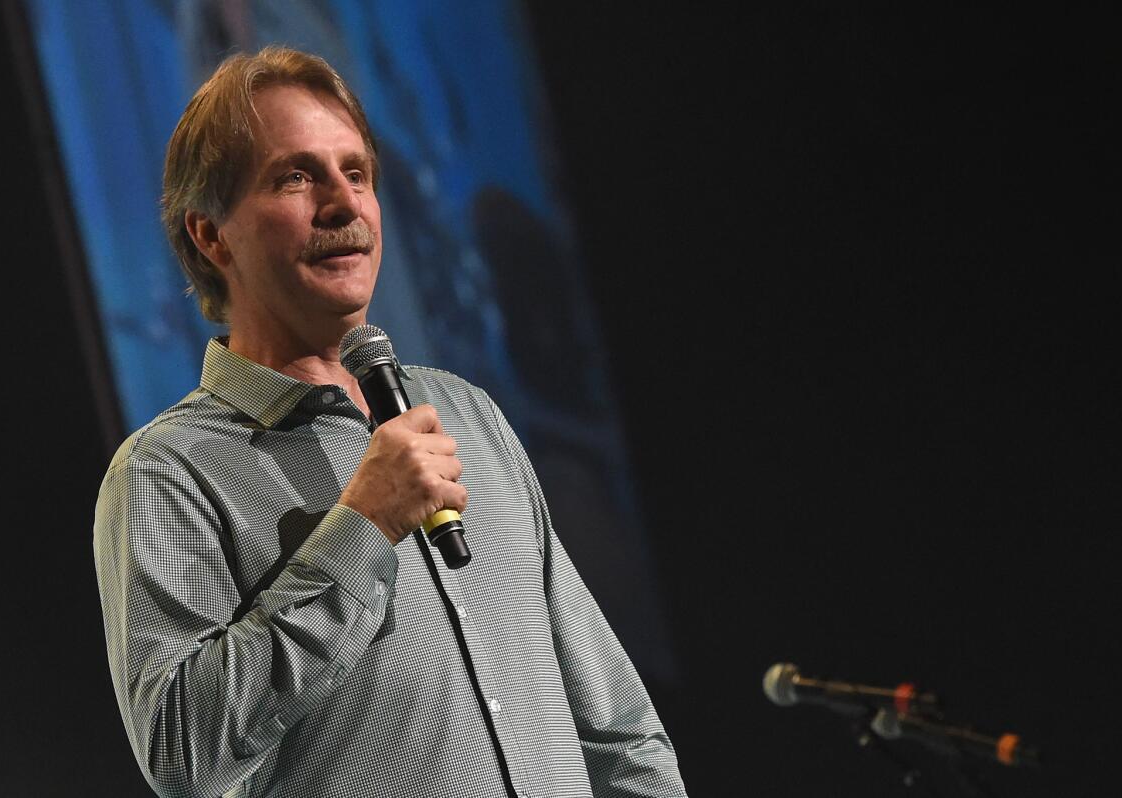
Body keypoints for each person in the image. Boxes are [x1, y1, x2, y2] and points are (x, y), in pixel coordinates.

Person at [93, 46, 687, 798]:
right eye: (297, 176)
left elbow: (617, 727)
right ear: (211, 236)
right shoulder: (168, 471)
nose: (343, 204)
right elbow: (182, 753)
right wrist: (361, 529)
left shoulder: (469, 414)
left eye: (356, 173)